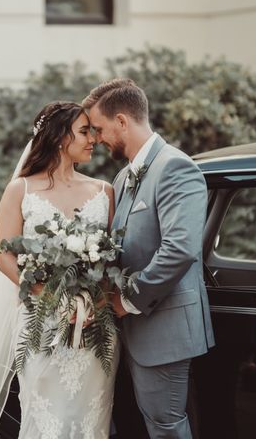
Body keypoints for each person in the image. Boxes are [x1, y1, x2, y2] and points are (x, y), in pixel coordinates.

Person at [0, 101, 118, 439]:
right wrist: (52, 296)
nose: (93, 139)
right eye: (84, 132)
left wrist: (95, 301)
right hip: (41, 326)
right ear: (57, 137)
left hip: (95, 329)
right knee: (44, 421)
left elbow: (112, 261)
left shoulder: (104, 191)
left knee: (90, 422)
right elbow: (4, 256)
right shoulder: (20, 190)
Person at [83, 78, 215, 439]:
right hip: (132, 332)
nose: (95, 139)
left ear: (122, 121)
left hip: (163, 328)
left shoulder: (175, 167)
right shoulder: (125, 175)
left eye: (99, 129)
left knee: (166, 426)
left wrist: (126, 300)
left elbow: (180, 250)